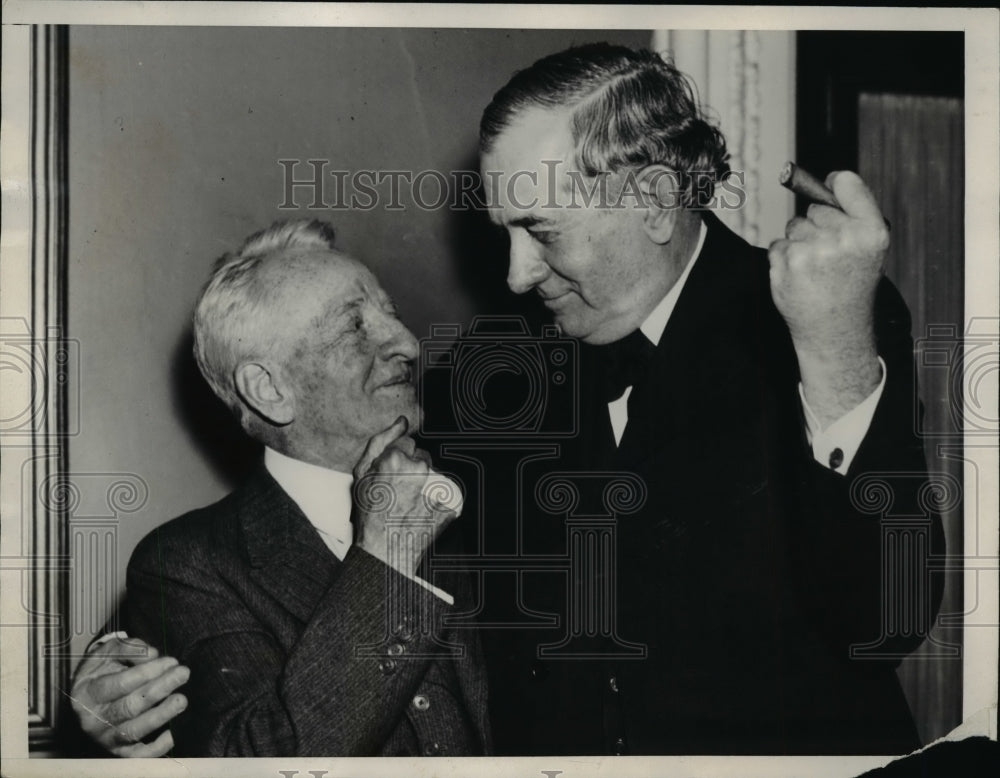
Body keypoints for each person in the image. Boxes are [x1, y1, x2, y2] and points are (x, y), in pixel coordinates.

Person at [71, 42, 943, 756]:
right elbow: (327, 516)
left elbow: (887, 619)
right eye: (504, 233)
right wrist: (125, 664)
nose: (517, 276)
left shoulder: (818, 317)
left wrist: (832, 349)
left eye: (541, 231)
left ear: (650, 199)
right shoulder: (503, 367)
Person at [72, 220, 491, 757]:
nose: (408, 342)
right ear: (269, 390)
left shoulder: (487, 492)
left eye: (394, 315)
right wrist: (390, 553)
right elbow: (270, 759)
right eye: (355, 327)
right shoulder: (189, 562)